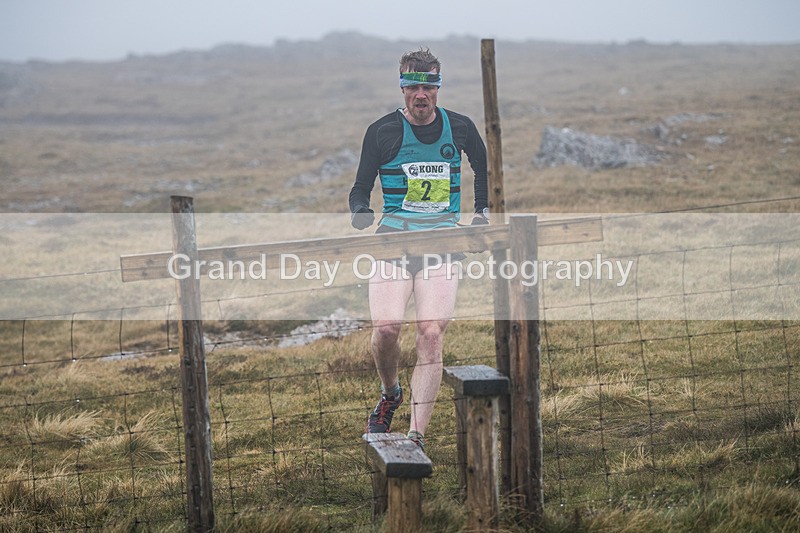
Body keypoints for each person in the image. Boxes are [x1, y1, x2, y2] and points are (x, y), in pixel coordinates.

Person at [349, 48, 489, 451]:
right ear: (403, 88)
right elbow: (360, 187)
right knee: (387, 329)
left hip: (443, 243)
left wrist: (481, 214)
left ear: (438, 88)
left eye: (428, 86)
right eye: (413, 86)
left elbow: (484, 168)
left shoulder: (460, 128)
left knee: (430, 333)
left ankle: (415, 435)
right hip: (394, 240)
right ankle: (390, 392)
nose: (421, 94)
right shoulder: (382, 131)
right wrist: (360, 211)